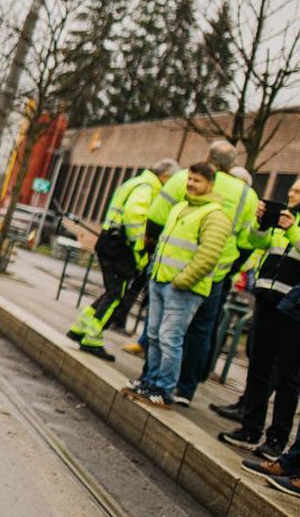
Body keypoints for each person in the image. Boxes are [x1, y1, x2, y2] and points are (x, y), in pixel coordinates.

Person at [127, 162, 231, 406]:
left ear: (210, 185)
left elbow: (209, 255)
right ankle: (151, 381)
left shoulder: (214, 215)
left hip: (183, 288)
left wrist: (182, 281)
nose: (191, 184)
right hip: (161, 280)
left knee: (169, 337)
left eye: (197, 181)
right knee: (153, 335)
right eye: (190, 179)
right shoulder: (181, 207)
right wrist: (155, 272)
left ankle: (164, 388)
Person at [218, 184, 300, 458]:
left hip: (292, 306)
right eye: (292, 190)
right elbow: (258, 243)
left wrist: (291, 229)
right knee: (259, 367)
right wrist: (261, 225)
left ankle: (276, 440)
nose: (291, 195)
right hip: (266, 297)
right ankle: (250, 428)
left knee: (288, 375)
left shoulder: (292, 225)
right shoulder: (283, 219)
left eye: (298, 192)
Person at [69, 158, 178, 359]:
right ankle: (92, 339)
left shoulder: (136, 182)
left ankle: (80, 328)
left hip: (110, 240)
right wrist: (140, 247)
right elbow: (134, 217)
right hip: (121, 246)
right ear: (165, 176)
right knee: (115, 295)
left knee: (111, 292)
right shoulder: (148, 188)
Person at [173, 161, 259, 406]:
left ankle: (162, 378)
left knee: (175, 326)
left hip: (185, 268)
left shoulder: (194, 183)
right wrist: (230, 270)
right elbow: (246, 242)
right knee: (203, 329)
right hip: (218, 274)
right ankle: (187, 388)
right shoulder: (248, 195)